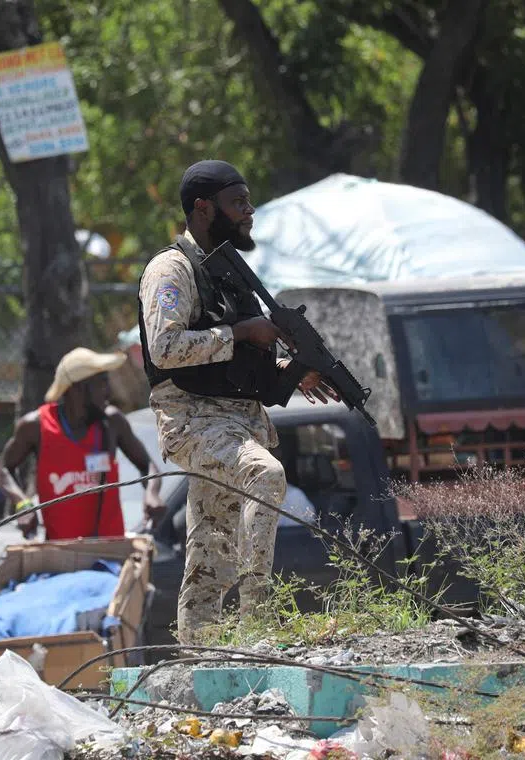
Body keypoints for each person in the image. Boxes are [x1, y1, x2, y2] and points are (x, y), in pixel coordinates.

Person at [137, 159, 338, 644]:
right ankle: (258, 620)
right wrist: (240, 331)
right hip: (193, 420)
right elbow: (165, 348)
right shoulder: (172, 270)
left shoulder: (230, 271)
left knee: (209, 558)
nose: (249, 213)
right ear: (204, 209)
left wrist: (292, 373)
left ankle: (199, 657)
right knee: (265, 476)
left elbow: (240, 369)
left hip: (239, 423)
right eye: (238, 203)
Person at [0, 347, 166, 540]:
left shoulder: (112, 423)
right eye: (101, 384)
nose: (108, 392)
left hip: (111, 553)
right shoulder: (35, 426)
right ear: (78, 388)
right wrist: (22, 504)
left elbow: (147, 465)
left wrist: (152, 493)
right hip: (60, 555)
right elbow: (4, 469)